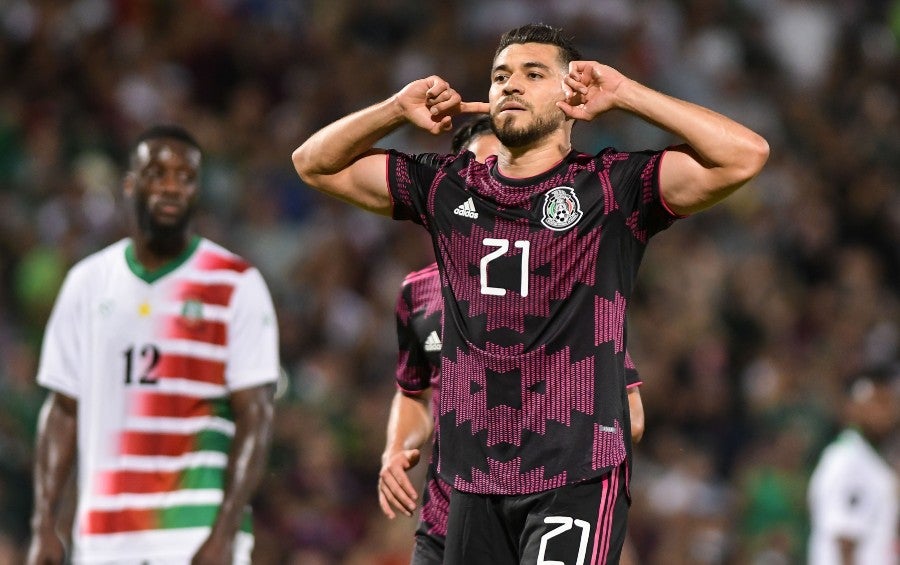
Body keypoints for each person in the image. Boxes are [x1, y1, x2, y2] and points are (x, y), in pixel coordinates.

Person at [293, 22, 768, 564]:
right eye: (500, 76)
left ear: (571, 95)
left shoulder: (611, 188)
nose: (511, 85)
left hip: (576, 473)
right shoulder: (448, 185)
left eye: (533, 73)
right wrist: (395, 109)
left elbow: (745, 154)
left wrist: (627, 94)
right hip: (472, 482)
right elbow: (312, 163)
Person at [377, 116, 647, 564]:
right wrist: (395, 450)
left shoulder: (565, 295)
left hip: (541, 503)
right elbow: (414, 392)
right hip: (448, 520)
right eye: (483, 168)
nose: (497, 184)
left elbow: (630, 414)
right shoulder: (418, 293)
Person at [27, 125, 280, 565]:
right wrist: (43, 524)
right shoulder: (87, 283)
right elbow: (63, 409)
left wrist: (223, 534)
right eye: (157, 173)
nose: (170, 187)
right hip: (104, 535)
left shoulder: (236, 284)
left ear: (198, 192)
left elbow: (256, 415)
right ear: (129, 185)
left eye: (185, 177)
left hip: (197, 533)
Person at [807, 363, 899, 565]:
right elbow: (845, 541)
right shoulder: (849, 460)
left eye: (889, 403)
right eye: (877, 403)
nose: (887, 412)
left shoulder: (870, 459)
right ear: (853, 409)